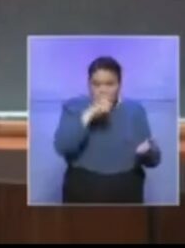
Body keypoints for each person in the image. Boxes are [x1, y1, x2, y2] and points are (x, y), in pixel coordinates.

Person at [53, 56, 161, 204]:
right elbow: (63, 147)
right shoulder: (74, 107)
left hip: (127, 188)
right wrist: (88, 115)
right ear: (89, 84)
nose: (102, 90)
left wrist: (148, 152)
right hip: (82, 186)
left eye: (109, 84)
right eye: (96, 84)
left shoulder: (135, 110)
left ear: (119, 85)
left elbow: (153, 161)